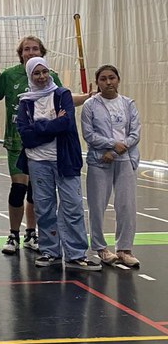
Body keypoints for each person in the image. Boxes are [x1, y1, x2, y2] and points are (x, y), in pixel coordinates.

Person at [16, 57, 100, 271]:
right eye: (36, 73)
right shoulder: (25, 102)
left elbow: (66, 123)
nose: (41, 77)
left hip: (65, 159)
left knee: (73, 206)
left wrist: (39, 127)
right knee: (44, 208)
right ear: (30, 76)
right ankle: (50, 251)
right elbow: (26, 135)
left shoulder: (62, 94)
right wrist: (52, 124)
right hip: (37, 162)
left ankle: (76, 254)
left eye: (44, 72)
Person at [0, 35, 56, 254]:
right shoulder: (9, 75)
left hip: (42, 142)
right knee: (18, 188)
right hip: (17, 141)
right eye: (26, 49)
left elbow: (63, 100)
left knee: (35, 191)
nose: (30, 52)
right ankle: (13, 234)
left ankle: (31, 233)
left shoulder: (50, 75)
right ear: (20, 53)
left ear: (42, 52)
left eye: (35, 48)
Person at [82, 65, 141, 267]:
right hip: (100, 161)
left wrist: (115, 151)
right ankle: (100, 248)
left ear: (118, 79)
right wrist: (110, 145)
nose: (108, 82)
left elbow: (134, 134)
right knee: (97, 205)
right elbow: (89, 135)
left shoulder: (128, 104)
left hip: (124, 160)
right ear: (97, 82)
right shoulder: (90, 105)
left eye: (112, 78)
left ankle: (125, 249)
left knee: (126, 205)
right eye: (103, 79)